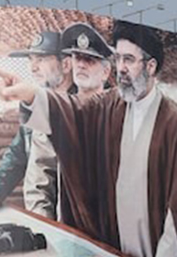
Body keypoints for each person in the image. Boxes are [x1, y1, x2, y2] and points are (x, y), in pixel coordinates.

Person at [0, 21, 177, 257]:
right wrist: (30, 94)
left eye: (128, 60)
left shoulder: (174, 123)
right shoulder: (109, 104)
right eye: (117, 59)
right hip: (112, 255)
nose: (121, 68)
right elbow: (72, 113)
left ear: (151, 66)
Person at [0, 31, 74, 216]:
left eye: (41, 59)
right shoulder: (35, 103)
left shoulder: (85, 107)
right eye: (31, 59)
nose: (33, 68)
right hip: (43, 213)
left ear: (66, 64)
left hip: (73, 219)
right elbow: (19, 151)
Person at [25, 22, 113, 221]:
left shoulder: (121, 114)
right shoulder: (54, 115)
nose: (80, 64)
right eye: (77, 58)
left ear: (106, 72)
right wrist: (46, 229)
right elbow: (39, 184)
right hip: (71, 227)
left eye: (89, 59)